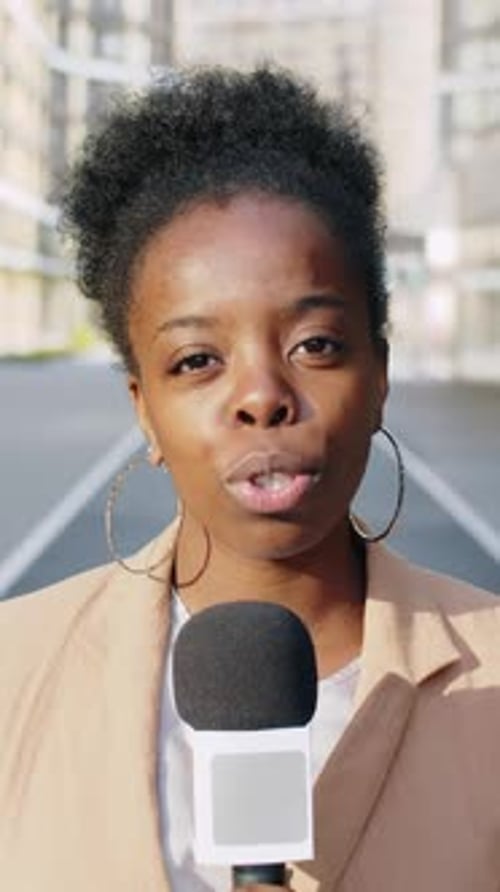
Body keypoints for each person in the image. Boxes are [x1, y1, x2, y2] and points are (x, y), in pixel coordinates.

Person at [0, 65, 499, 892]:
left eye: (316, 346)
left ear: (379, 377)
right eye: (197, 361)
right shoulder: (12, 669)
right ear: (146, 412)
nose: (263, 397)